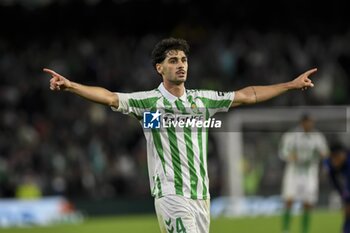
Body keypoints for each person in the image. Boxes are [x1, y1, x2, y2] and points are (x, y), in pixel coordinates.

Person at [43, 37, 317, 233]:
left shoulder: (203, 101)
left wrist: (290, 85)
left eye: (184, 60)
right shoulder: (148, 102)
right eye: (173, 60)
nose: (181, 64)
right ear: (159, 68)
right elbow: (110, 97)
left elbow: (248, 95)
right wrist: (71, 86)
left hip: (201, 195)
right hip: (171, 193)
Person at [279, 114, 329, 233]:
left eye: (312, 122)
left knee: (308, 202)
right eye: (308, 122)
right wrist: (290, 156)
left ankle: (304, 230)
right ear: (302, 123)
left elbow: (325, 152)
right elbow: (282, 152)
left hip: (310, 172)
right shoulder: (291, 136)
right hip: (293, 172)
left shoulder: (317, 137)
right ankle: (286, 230)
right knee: (289, 199)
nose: (310, 124)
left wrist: (322, 155)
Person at [324, 143, 350, 233]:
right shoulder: (329, 164)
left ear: (343, 155)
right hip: (345, 189)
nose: (335, 161)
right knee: (347, 212)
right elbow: (335, 183)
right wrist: (345, 198)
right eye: (333, 158)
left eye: (337, 157)